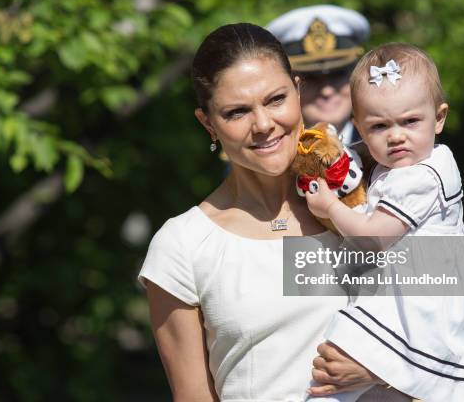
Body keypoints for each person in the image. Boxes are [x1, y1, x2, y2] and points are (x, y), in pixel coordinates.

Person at [138, 23, 404, 401]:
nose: (263, 124)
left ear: (298, 90)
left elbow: (454, 328)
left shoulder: (375, 200)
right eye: (236, 112)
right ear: (208, 123)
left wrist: (384, 365)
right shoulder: (183, 245)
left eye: (276, 99)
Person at [304, 43, 464, 401]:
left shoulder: (421, 176)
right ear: (359, 127)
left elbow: (375, 238)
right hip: (412, 287)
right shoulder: (405, 166)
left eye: (410, 121)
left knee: (348, 363)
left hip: (430, 299)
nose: (396, 135)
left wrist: (330, 207)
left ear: (440, 117)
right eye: (379, 126)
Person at [266, 5, 369, 146]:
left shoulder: (385, 150)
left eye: (338, 74)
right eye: (310, 78)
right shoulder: (270, 155)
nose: (327, 91)